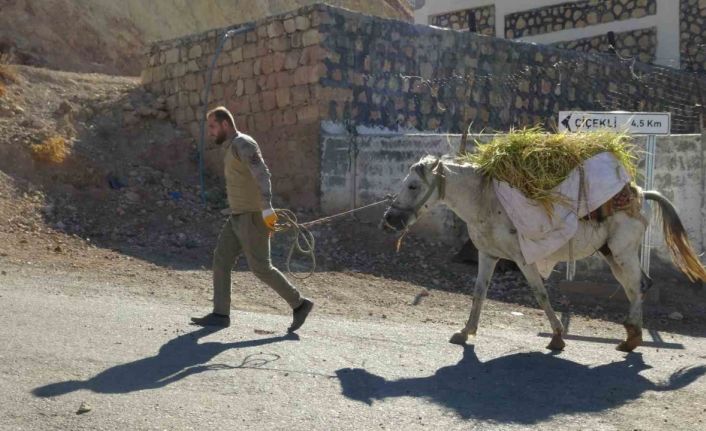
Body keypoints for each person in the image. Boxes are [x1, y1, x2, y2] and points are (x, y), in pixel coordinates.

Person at [190, 106, 313, 332]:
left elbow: (263, 174)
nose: (210, 132)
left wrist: (267, 208)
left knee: (261, 268)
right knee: (221, 259)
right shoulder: (231, 147)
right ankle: (220, 314)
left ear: (225, 124)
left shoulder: (243, 144)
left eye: (213, 126)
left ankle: (299, 304)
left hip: (253, 217)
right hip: (236, 217)